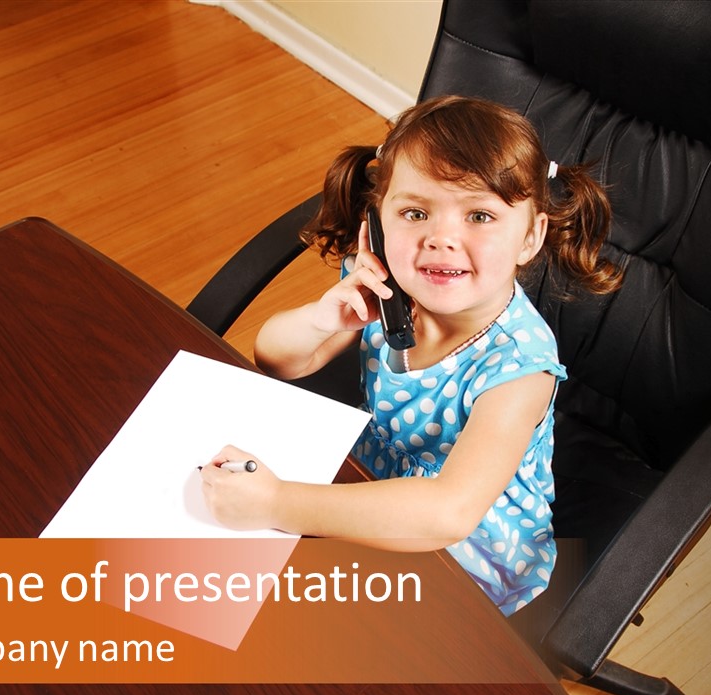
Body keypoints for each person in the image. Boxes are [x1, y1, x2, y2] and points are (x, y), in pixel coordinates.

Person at [200, 95, 622, 615]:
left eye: (480, 215)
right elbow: (278, 360)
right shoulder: (385, 291)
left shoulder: (519, 368)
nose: (441, 238)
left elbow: (449, 512)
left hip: (464, 545)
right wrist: (323, 319)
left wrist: (276, 503)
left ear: (530, 236)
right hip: (370, 481)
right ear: (377, 221)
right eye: (415, 212)